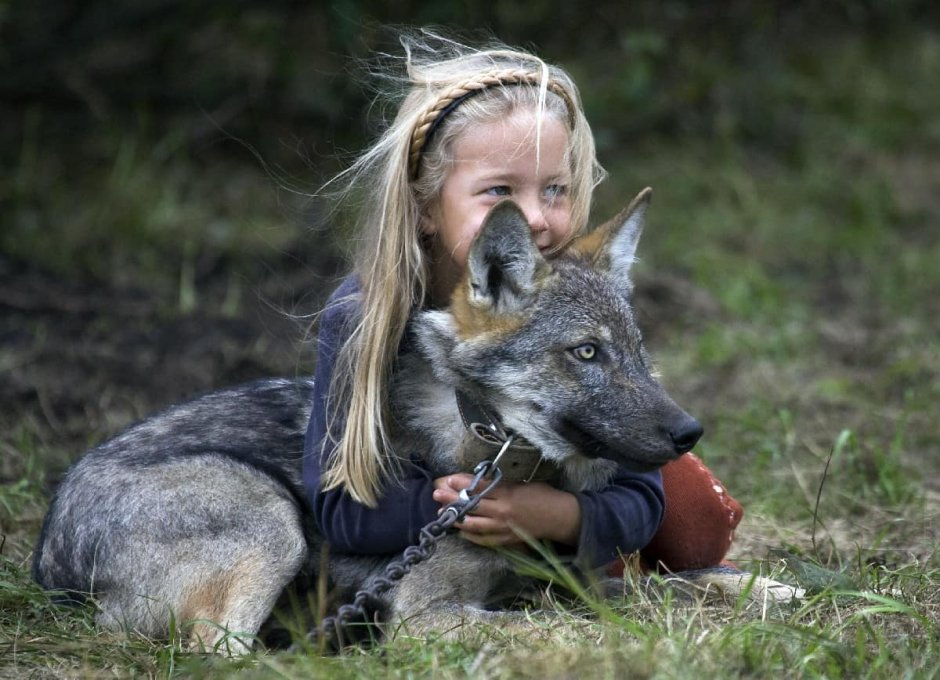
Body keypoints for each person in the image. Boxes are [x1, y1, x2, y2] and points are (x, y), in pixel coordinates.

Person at [302, 32, 741, 576]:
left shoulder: (584, 281)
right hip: (447, 506)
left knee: (694, 520)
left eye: (554, 189)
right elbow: (340, 510)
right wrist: (472, 504)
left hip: (567, 467)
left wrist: (560, 517)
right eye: (499, 192)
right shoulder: (361, 315)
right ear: (424, 205)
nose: (534, 217)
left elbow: (639, 493)